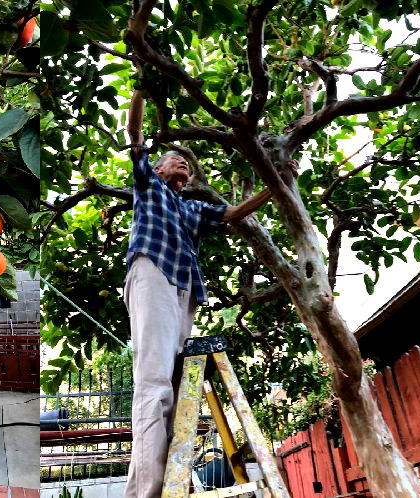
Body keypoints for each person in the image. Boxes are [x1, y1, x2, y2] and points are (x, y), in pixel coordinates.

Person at [123, 89, 289, 498]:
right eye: (173, 159)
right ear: (158, 169)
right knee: (155, 382)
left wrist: (275, 185)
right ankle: (146, 494)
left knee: (177, 387)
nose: (182, 163)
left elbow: (232, 213)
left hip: (183, 291)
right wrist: (143, 85)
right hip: (153, 274)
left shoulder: (191, 209)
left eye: (187, 164)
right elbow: (135, 134)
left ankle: (154, 486)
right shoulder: (149, 188)